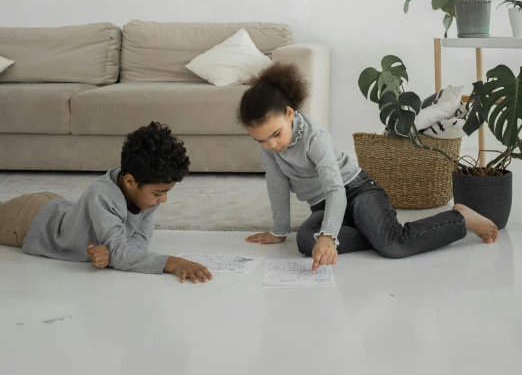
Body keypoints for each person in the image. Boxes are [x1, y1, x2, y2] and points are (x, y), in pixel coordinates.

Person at [239, 64, 498, 273]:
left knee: (393, 246)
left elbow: (335, 188)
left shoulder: (314, 138)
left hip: (357, 191)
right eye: (261, 140)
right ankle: (377, 232)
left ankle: (460, 218)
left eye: (275, 134)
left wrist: (329, 236)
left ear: (289, 114)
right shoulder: (269, 148)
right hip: (325, 206)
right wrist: (280, 231)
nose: (271, 145)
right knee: (306, 241)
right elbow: (276, 184)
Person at [0, 122, 213, 284]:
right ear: (130, 181)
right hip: (28, 220)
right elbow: (121, 255)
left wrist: (112, 254)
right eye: (158, 193)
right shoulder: (101, 193)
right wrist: (173, 263)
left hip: (56, 205)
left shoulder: (146, 197)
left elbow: (138, 240)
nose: (163, 200)